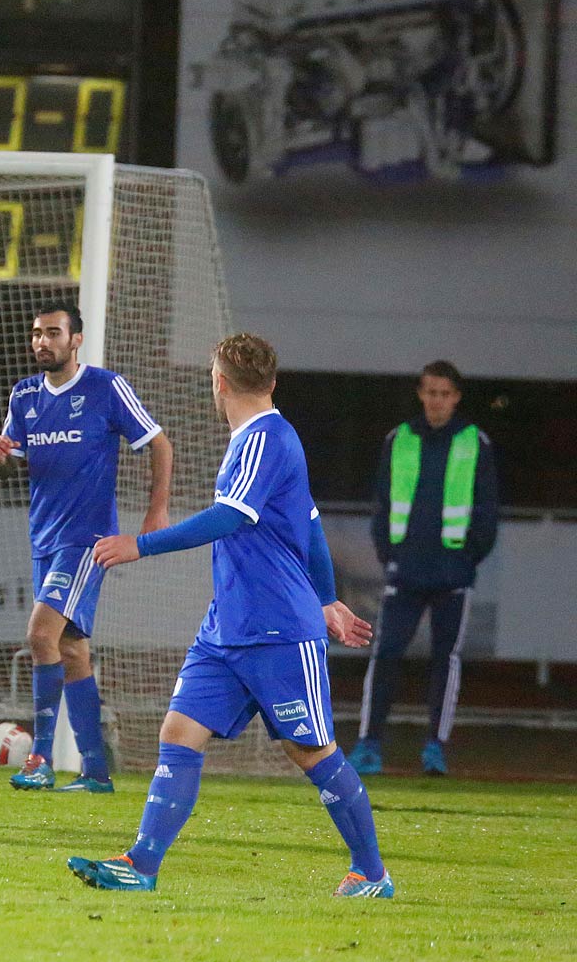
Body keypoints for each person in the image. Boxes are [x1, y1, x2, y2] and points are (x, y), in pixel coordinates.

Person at [70, 333, 392, 897]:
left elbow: (229, 518)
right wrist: (327, 598)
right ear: (271, 381)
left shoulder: (266, 439)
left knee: (309, 749)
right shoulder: (257, 438)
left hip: (276, 629)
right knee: (179, 731)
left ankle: (371, 873)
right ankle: (141, 864)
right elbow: (312, 526)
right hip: (229, 626)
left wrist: (139, 545)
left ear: (218, 382)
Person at [0, 301, 173, 793]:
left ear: (75, 340)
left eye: (52, 333)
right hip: (43, 538)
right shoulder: (24, 395)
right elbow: (11, 462)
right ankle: (94, 771)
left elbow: (158, 443)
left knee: (41, 636)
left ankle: (40, 759)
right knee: (71, 650)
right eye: (35, 333)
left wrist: (155, 514)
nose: (41, 342)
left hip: (87, 540)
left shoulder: (105, 387)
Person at [350, 361, 500, 777]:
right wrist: (389, 554)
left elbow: (488, 509)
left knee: (445, 660)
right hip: (405, 570)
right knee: (385, 654)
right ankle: (368, 744)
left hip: (453, 573)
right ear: (420, 393)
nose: (436, 400)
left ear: (456, 397)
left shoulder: (475, 442)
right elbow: (382, 503)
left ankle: (435, 747)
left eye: (444, 393)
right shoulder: (399, 439)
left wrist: (468, 559)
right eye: (430, 392)